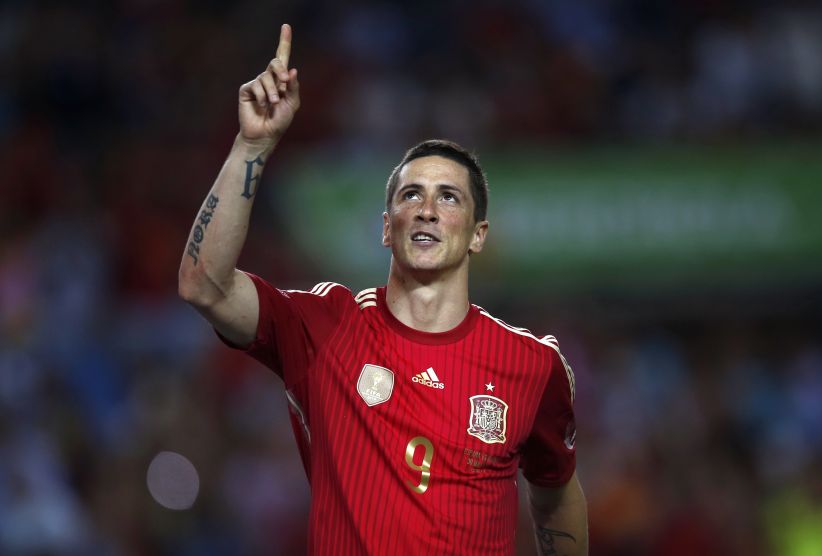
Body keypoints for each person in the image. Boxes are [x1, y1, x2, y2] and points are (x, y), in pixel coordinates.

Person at [178, 23, 588, 556]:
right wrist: (251, 145)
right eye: (411, 195)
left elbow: (556, 493)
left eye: (449, 198)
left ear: (478, 235)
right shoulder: (326, 326)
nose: (427, 209)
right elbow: (205, 285)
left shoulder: (531, 364)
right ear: (387, 228)